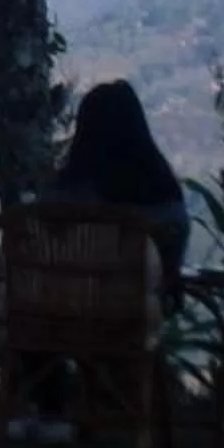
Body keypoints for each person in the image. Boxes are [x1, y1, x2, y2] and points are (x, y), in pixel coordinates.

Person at [47, 80, 191, 296]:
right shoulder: (165, 197)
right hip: (136, 317)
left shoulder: (62, 198)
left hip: (61, 313)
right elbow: (170, 273)